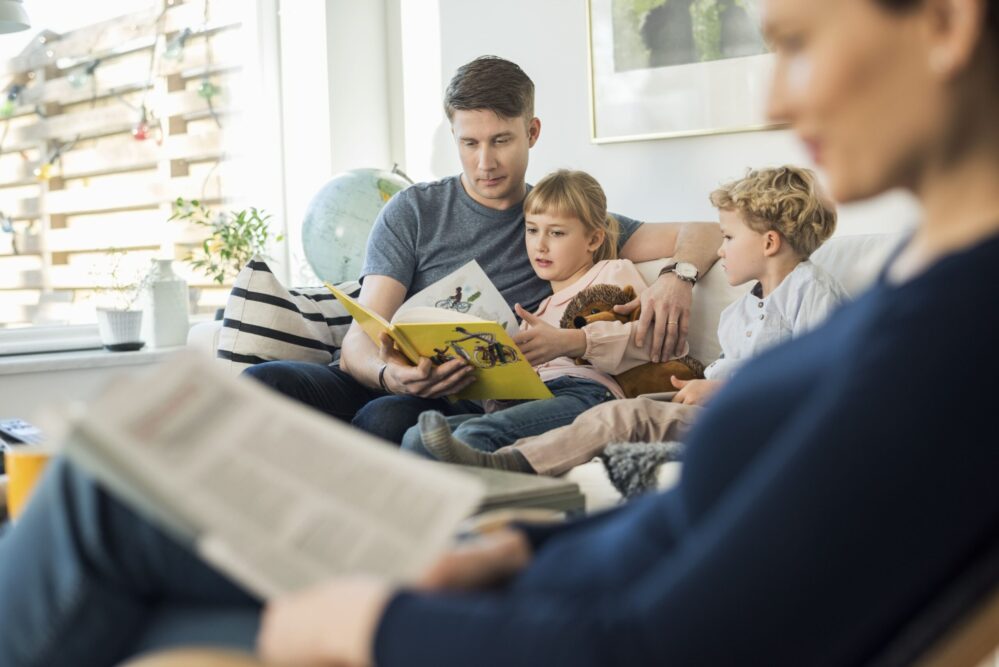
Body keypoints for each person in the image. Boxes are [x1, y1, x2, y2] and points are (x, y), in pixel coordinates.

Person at [0, 0, 997, 664]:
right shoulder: (920, 287)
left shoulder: (955, 343)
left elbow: (660, 642)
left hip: (529, 634)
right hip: (521, 579)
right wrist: (517, 551)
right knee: (120, 487)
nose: (777, 98)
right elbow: (692, 533)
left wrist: (378, 620)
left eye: (797, 42)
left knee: (99, 506)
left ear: (948, 23)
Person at [242, 56, 722, 444]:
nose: (484, 162)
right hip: (387, 377)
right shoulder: (414, 210)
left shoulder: (556, 222)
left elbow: (706, 231)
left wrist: (677, 277)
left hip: (456, 394)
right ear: (453, 135)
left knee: (386, 422)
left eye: (501, 141)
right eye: (469, 142)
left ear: (532, 133)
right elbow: (360, 338)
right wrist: (390, 374)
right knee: (262, 384)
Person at [426, 165, 849, 474]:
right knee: (618, 417)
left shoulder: (809, 290)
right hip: (714, 404)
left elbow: (823, 374)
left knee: (621, 417)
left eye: (728, 239)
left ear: (770, 242)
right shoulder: (740, 312)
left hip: (756, 414)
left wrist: (720, 388)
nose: (719, 251)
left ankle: (511, 466)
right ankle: (505, 463)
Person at [401, 169, 678, 464]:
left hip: (587, 395)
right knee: (416, 438)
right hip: (537, 396)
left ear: (594, 239)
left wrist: (572, 341)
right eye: (532, 230)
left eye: (556, 232)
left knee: (475, 437)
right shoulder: (538, 309)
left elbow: (646, 340)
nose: (540, 245)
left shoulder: (612, 273)